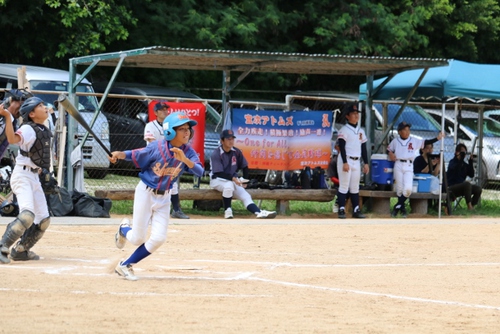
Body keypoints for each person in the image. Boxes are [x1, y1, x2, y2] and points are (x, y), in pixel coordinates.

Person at [110, 111, 204, 280]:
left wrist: (185, 159)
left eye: (188, 129)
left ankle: (125, 265)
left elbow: (199, 171)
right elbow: (136, 154)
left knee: (159, 238)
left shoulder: (188, 152)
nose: (187, 132)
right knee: (137, 238)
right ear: (170, 132)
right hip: (146, 193)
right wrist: (120, 154)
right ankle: (124, 229)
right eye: (182, 129)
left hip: (165, 197)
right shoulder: (157, 147)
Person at [0, 97, 53, 263]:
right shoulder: (28, 128)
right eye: (40, 106)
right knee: (27, 215)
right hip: (22, 176)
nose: (44, 107)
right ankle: (2, 245)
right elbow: (12, 139)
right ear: (31, 114)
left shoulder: (42, 127)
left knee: (43, 220)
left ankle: (21, 249)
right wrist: (8, 116)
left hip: (34, 177)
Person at [210, 129, 277, 219]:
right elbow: (218, 173)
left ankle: (259, 212)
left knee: (245, 195)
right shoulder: (216, 153)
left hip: (232, 180)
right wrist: (234, 179)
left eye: (232, 139)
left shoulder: (236, 152)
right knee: (228, 185)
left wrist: (245, 181)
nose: (231, 141)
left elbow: (245, 166)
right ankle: (228, 211)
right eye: (228, 139)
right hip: (217, 180)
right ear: (222, 141)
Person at [388, 121, 444, 218]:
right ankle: (402, 209)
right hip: (398, 164)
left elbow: (426, 142)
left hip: (409, 165)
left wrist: (437, 138)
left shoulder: (413, 140)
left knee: (408, 189)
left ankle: (397, 207)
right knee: (400, 190)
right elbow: (389, 149)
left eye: (408, 129)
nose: (407, 131)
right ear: (400, 131)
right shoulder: (396, 141)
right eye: (404, 130)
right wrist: (391, 154)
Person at [144, 101, 189, 219]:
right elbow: (151, 142)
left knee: (172, 184)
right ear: (155, 112)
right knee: (151, 185)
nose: (165, 111)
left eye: (166, 109)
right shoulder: (150, 125)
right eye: (162, 109)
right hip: (153, 160)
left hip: (168, 160)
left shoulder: (170, 126)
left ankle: (176, 209)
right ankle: (149, 210)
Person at [336, 104, 369, 219]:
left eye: (357, 114)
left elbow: (363, 148)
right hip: (346, 159)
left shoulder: (361, 131)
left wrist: (366, 163)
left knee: (355, 187)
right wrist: (345, 162)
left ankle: (356, 210)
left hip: (356, 160)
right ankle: (341, 209)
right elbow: (341, 146)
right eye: (353, 114)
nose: (356, 115)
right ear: (347, 116)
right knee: (344, 186)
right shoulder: (344, 130)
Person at [446, 143, 482, 210]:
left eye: (464, 152)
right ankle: (469, 206)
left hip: (462, 188)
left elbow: (471, 175)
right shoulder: (452, 162)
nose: (463, 154)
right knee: (467, 184)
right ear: (457, 153)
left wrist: (470, 162)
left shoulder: (464, 164)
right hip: (452, 187)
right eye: (462, 152)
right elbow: (456, 169)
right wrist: (460, 159)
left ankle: (472, 205)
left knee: (478, 189)